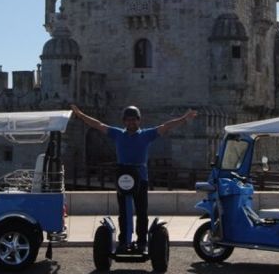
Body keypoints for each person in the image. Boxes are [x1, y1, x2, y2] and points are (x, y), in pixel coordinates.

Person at [70, 103, 197, 251]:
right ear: (124, 121)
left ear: (139, 121)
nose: (131, 122)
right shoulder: (117, 134)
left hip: (141, 179)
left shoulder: (146, 135)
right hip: (123, 178)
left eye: (134, 119)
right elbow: (98, 125)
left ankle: (142, 241)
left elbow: (166, 126)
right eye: (128, 120)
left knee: (141, 211)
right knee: (123, 211)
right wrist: (80, 115)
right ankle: (124, 240)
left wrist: (184, 118)